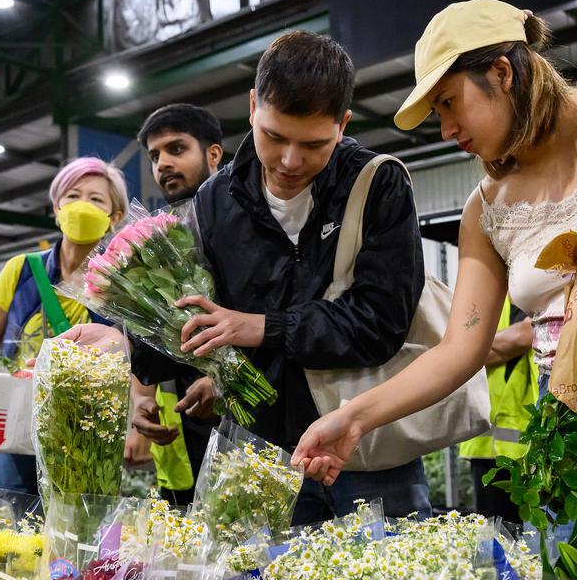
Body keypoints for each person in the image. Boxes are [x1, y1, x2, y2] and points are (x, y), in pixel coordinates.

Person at [292, 0, 577, 563]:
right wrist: (352, 417)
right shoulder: (486, 208)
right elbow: (461, 349)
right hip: (566, 433)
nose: (447, 129)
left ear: (502, 74)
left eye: (448, 103)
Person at [129, 31, 430, 524]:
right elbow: (202, 318)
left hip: (365, 450)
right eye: (274, 136)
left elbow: (382, 322)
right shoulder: (214, 201)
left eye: (314, 144)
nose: (291, 161)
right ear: (252, 107)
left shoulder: (377, 183)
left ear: (343, 123)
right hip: (257, 453)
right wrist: (137, 351)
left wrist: (262, 327)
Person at [0, 157, 129, 494]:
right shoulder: (21, 269)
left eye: (96, 199)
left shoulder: (124, 286)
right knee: (3, 530)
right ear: (57, 208)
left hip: (81, 435)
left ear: (114, 218)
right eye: (72, 196)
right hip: (9, 430)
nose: (82, 206)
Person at [131, 103, 225, 505]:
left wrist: (226, 382)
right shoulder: (157, 237)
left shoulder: (243, 222)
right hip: (178, 424)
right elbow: (144, 332)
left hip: (248, 420)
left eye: (176, 149)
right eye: (155, 156)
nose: (163, 163)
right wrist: (142, 397)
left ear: (213, 154)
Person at [459, 299, 536, 522]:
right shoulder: (488, 294)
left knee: (533, 541)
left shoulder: (538, 289)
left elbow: (527, 334)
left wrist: (475, 348)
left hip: (530, 447)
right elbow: (460, 350)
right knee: (494, 541)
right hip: (485, 446)